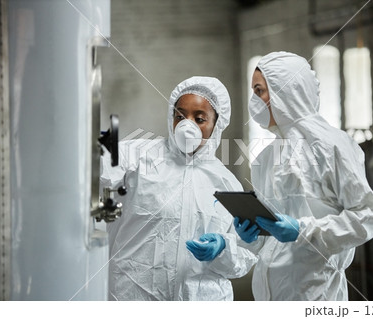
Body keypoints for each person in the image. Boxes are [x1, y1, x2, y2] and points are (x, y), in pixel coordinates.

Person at [234, 51, 373, 300]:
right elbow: (271, 236)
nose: (254, 100)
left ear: (286, 91)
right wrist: (251, 235)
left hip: (316, 295)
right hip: (270, 296)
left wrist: (304, 231)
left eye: (259, 91)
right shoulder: (266, 157)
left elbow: (368, 216)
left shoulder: (332, 146)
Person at [101, 76, 257, 301]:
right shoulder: (137, 157)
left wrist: (223, 248)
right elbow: (98, 165)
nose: (187, 126)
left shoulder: (225, 183)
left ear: (217, 124)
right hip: (134, 296)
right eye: (180, 116)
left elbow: (244, 255)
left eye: (199, 118)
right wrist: (101, 147)